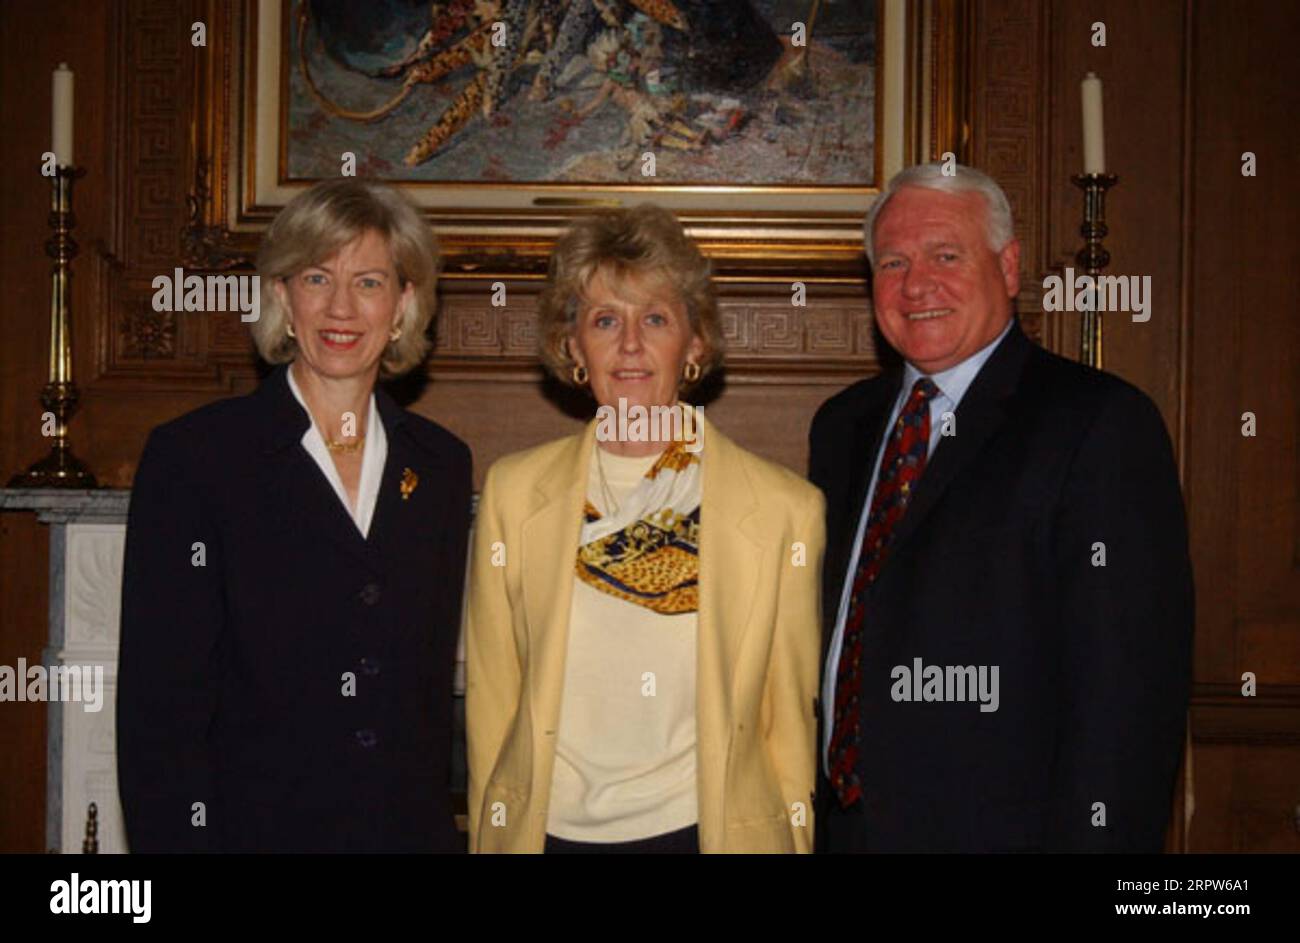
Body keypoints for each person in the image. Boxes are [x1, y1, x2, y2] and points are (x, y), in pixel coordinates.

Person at [811, 162, 1193, 852]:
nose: (916, 283)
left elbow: (1128, 701)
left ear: (1010, 266)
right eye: (893, 261)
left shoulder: (1098, 425)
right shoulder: (843, 427)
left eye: (946, 255)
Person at [117, 178, 471, 853]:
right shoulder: (195, 459)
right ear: (282, 295)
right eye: (317, 277)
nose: (341, 306)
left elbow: (424, 703)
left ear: (403, 304)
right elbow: (159, 717)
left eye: (368, 281)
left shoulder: (442, 468)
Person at [465, 204, 824, 853]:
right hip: (548, 835)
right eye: (605, 320)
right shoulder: (513, 494)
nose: (630, 344)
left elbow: (790, 727)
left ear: (695, 344)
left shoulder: (783, 510)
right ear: (574, 346)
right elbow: (493, 703)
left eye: (655, 318)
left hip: (704, 833)